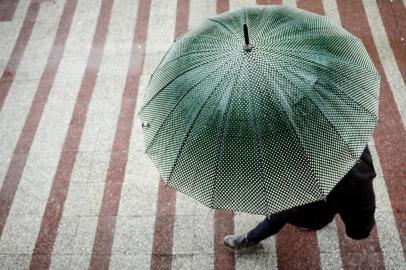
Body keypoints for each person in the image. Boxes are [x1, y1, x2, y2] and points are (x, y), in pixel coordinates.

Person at [224, 145, 377, 250]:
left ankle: (251, 239)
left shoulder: (354, 177)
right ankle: (252, 238)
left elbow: (360, 225)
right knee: (284, 211)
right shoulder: (348, 135)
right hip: (314, 198)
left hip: (317, 203)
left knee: (280, 213)